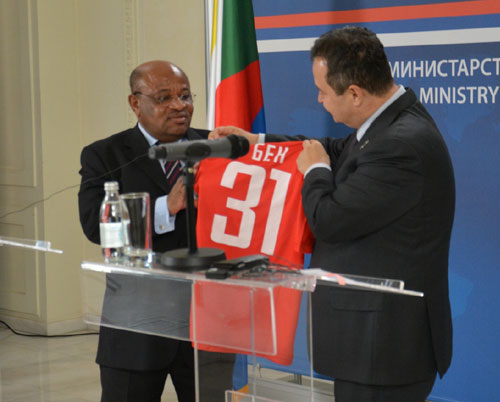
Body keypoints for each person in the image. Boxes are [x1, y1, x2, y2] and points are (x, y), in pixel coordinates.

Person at [210, 26, 455, 402]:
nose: (319, 99)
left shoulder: (400, 145)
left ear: (355, 93)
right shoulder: (388, 122)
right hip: (371, 345)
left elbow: (329, 219)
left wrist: (314, 171)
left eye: (323, 91)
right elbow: (333, 150)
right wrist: (256, 141)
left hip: (383, 350)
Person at [78, 60, 235, 402]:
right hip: (138, 324)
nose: (179, 106)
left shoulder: (218, 146)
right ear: (135, 103)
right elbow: (94, 225)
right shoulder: (105, 154)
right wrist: (166, 207)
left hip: (206, 321)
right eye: (164, 98)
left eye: (185, 95)